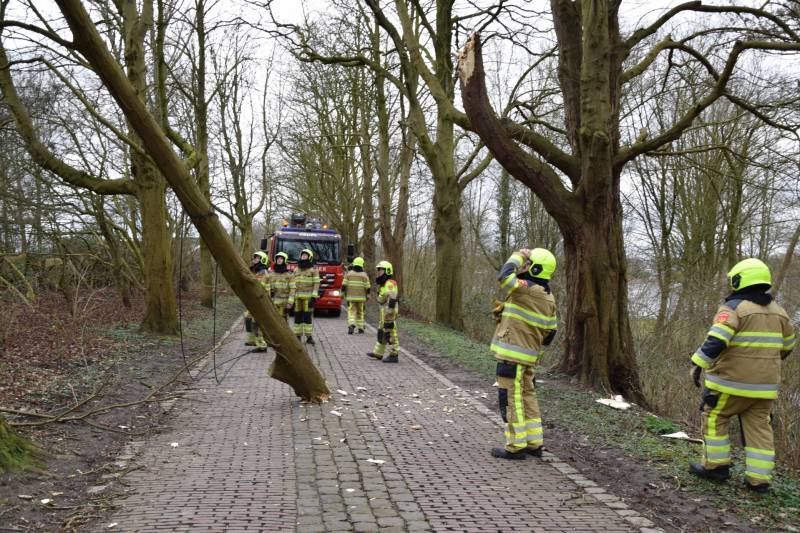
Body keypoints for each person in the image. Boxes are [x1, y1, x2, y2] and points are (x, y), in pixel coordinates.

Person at [688, 258, 795, 493]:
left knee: (715, 417)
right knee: (760, 428)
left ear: (739, 280)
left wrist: (697, 364)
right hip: (765, 388)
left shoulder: (734, 308)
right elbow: (787, 347)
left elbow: (716, 340)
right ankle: (759, 481)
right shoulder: (780, 313)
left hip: (729, 384)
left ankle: (715, 467)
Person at [489, 248, 557, 460]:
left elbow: (504, 277)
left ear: (536, 269)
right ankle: (533, 443)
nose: (523, 267)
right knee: (527, 397)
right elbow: (549, 334)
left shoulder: (527, 289)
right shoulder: (548, 296)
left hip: (512, 357)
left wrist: (518, 255)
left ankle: (516, 446)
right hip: (528, 358)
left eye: (528, 264)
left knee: (511, 399)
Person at [366, 260, 400, 363]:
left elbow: (392, 297)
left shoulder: (390, 283)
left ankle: (394, 354)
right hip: (384, 311)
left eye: (380, 270)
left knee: (390, 332)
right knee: (381, 332)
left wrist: (389, 312)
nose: (378, 273)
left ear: (387, 271)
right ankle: (378, 353)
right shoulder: (383, 284)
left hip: (389, 312)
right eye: (378, 271)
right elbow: (382, 298)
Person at [288, 248, 320, 345]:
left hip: (308, 298)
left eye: (305, 255)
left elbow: (316, 283)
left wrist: (314, 297)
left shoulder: (313, 270)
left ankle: (309, 337)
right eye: (302, 255)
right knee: (297, 317)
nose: (303, 257)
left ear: (309, 257)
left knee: (307, 318)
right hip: (297, 298)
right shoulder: (296, 269)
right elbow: (292, 284)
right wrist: (291, 299)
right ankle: (297, 336)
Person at [245, 251, 270, 351]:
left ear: (263, 260)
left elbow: (259, 287)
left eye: (258, 258)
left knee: (257, 323)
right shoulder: (254, 271)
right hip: (253, 300)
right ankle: (252, 340)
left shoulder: (263, 272)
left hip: (260, 300)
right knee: (248, 319)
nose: (255, 260)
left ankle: (262, 345)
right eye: (255, 258)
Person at [343, 256, 370, 334]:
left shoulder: (349, 274)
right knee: (360, 312)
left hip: (351, 297)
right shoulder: (364, 275)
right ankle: (361, 328)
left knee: (351, 311)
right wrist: (368, 295)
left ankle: (351, 324)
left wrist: (342, 294)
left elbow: (344, 285)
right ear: (362, 264)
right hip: (361, 298)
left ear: (354, 264)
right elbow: (368, 287)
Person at [269, 252, 291, 320]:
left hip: (284, 302)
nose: (279, 260)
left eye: (281, 259)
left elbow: (293, 289)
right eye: (278, 258)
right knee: (274, 321)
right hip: (273, 302)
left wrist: (290, 302)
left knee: (283, 321)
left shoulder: (289, 275)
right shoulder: (271, 274)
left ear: (285, 261)